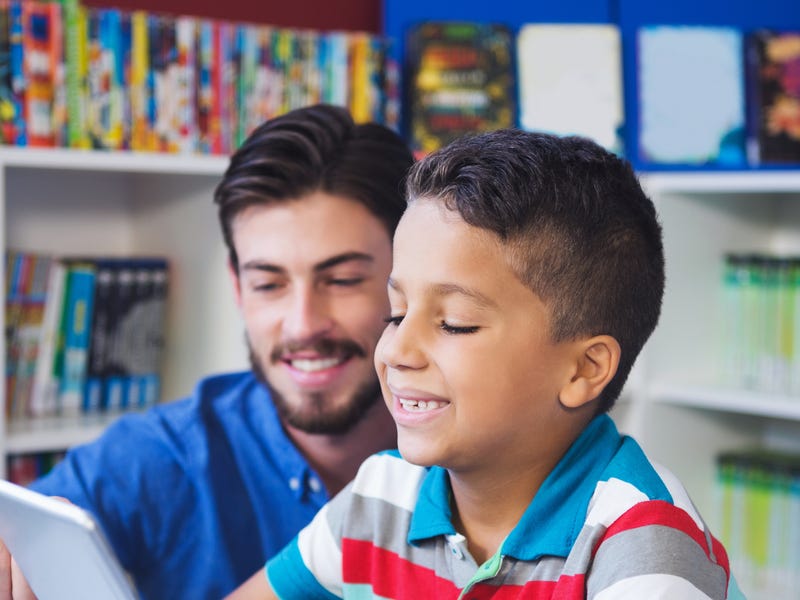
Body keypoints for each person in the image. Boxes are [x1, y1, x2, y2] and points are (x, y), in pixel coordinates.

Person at [227, 129, 736, 599]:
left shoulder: (645, 544)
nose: (398, 351)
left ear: (583, 370)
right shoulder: (380, 499)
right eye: (397, 313)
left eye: (455, 324)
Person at [0, 104, 415, 599]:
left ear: (409, 280)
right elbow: (25, 533)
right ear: (237, 288)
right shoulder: (163, 456)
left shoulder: (488, 453)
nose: (303, 323)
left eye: (343, 280)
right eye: (268, 283)